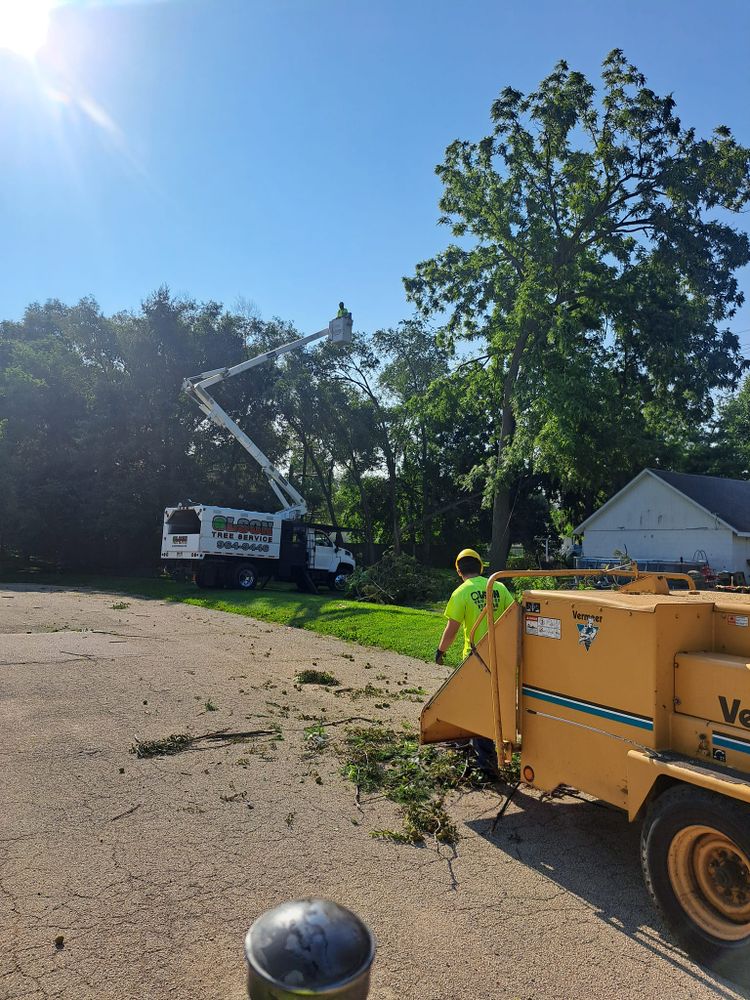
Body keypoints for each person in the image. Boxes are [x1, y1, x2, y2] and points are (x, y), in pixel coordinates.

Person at [435, 548, 514, 665]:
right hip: (501, 655)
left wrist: (440, 651)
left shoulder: (460, 593)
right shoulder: (499, 586)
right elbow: (514, 615)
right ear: (480, 568)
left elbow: (452, 630)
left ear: (459, 571)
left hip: (475, 656)